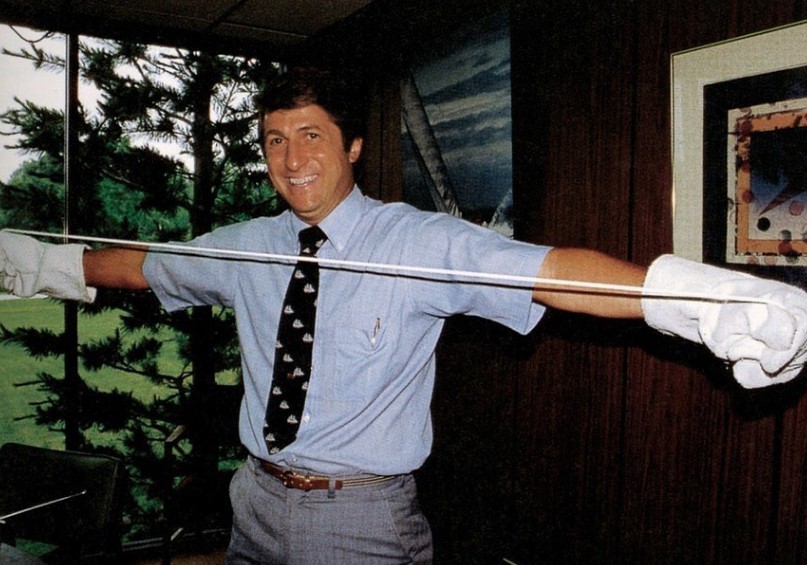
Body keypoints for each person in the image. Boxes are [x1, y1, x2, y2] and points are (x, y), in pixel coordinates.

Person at [2, 67, 807, 564]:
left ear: (352, 145)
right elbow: (139, 265)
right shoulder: (246, 244)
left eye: (310, 135)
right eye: (274, 140)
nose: (292, 160)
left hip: (359, 519)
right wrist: (33, 262)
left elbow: (550, 272)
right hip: (252, 501)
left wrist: (695, 298)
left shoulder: (416, 240)